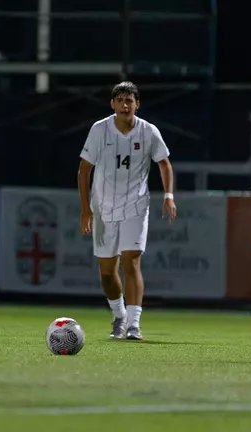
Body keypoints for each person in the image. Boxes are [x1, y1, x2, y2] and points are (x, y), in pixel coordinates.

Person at [77, 81, 177, 341]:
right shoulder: (100, 130)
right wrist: (85, 209)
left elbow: (164, 164)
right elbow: (84, 170)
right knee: (108, 273)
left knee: (132, 261)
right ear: (112, 104)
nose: (124, 105)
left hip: (135, 205)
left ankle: (134, 324)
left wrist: (168, 196)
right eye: (120, 100)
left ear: (137, 104)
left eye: (129, 100)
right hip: (103, 208)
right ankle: (119, 316)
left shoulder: (148, 131)